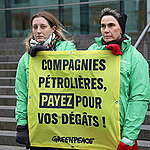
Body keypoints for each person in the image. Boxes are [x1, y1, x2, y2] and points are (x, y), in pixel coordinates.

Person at [88, 8, 150, 150]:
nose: (106, 30)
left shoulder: (136, 58)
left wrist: (128, 137)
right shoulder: (92, 50)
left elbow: (139, 99)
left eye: (111, 25)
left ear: (121, 29)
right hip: (93, 131)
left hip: (119, 134)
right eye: (103, 26)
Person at [15, 11, 76, 150]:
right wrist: (21, 124)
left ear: (53, 29)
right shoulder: (25, 59)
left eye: (43, 27)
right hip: (38, 126)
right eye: (35, 27)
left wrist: (49, 56)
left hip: (65, 124)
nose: (38, 31)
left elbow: (71, 76)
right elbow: (22, 93)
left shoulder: (68, 48)